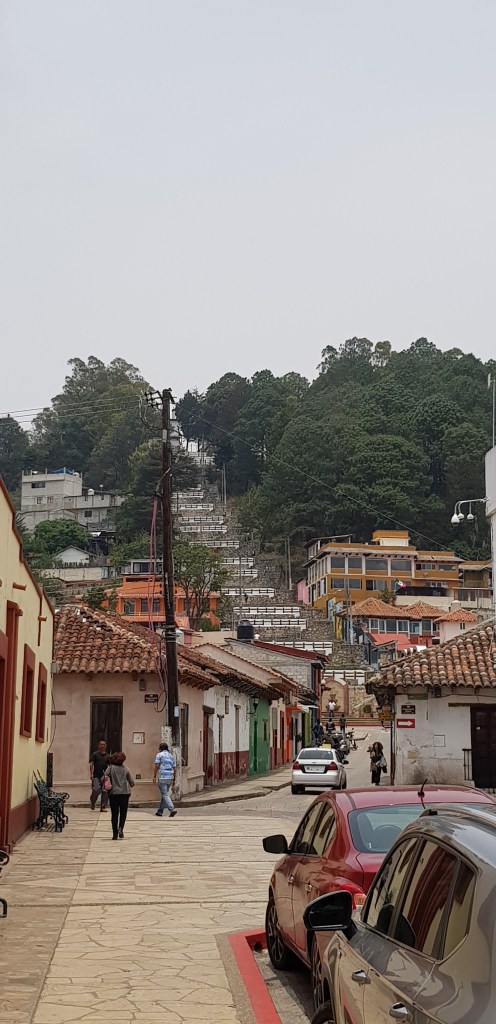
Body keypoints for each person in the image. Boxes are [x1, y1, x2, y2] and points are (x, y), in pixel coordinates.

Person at [103, 752, 135, 839]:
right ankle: (121, 828)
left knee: (114, 813)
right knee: (123, 812)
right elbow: (132, 782)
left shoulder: (110, 768)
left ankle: (115, 833)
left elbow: (103, 778)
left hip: (113, 793)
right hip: (125, 793)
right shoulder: (126, 769)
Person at [153, 743, 178, 818]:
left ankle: (172, 809)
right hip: (170, 777)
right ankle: (160, 811)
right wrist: (174, 779)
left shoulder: (159, 755)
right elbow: (174, 768)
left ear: (160, 748)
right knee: (165, 794)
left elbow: (156, 766)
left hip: (162, 777)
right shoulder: (171, 756)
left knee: (164, 794)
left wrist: (154, 776)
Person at [89, 740, 109, 812]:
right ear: (99, 745)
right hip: (96, 776)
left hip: (105, 776)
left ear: (105, 746)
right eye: (101, 744)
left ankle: (103, 806)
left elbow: (109, 766)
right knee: (96, 790)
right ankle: (93, 802)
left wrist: (108, 775)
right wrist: (91, 774)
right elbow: (91, 764)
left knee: (105, 791)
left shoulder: (107, 756)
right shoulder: (95, 754)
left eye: (104, 744)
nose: (102, 746)